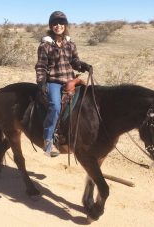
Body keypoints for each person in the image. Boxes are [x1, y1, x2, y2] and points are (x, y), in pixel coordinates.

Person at [35, 11, 92, 157]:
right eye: (55, 23)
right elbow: (41, 66)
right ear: (51, 26)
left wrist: (84, 66)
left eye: (61, 23)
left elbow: (74, 62)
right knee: (55, 106)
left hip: (70, 80)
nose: (58, 26)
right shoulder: (45, 46)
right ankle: (47, 140)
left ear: (65, 25)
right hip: (54, 81)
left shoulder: (70, 44)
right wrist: (41, 82)